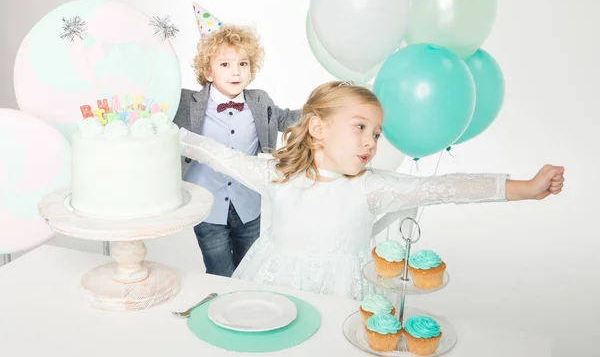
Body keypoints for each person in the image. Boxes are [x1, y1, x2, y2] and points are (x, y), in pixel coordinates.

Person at [178, 80, 565, 300]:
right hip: (274, 288)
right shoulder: (278, 175)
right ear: (317, 129)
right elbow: (218, 155)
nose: (371, 142)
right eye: (360, 127)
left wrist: (526, 188)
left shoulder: (372, 188)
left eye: (376, 133)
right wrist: (170, 134)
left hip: (344, 295)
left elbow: (444, 187)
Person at [173, 24, 301, 277]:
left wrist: (325, 110)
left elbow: (287, 118)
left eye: (242, 64)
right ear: (208, 72)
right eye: (225, 65)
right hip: (208, 209)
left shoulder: (259, 101)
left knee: (250, 271)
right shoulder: (187, 103)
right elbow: (155, 106)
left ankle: (247, 314)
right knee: (221, 274)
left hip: (249, 206)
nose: (235, 71)